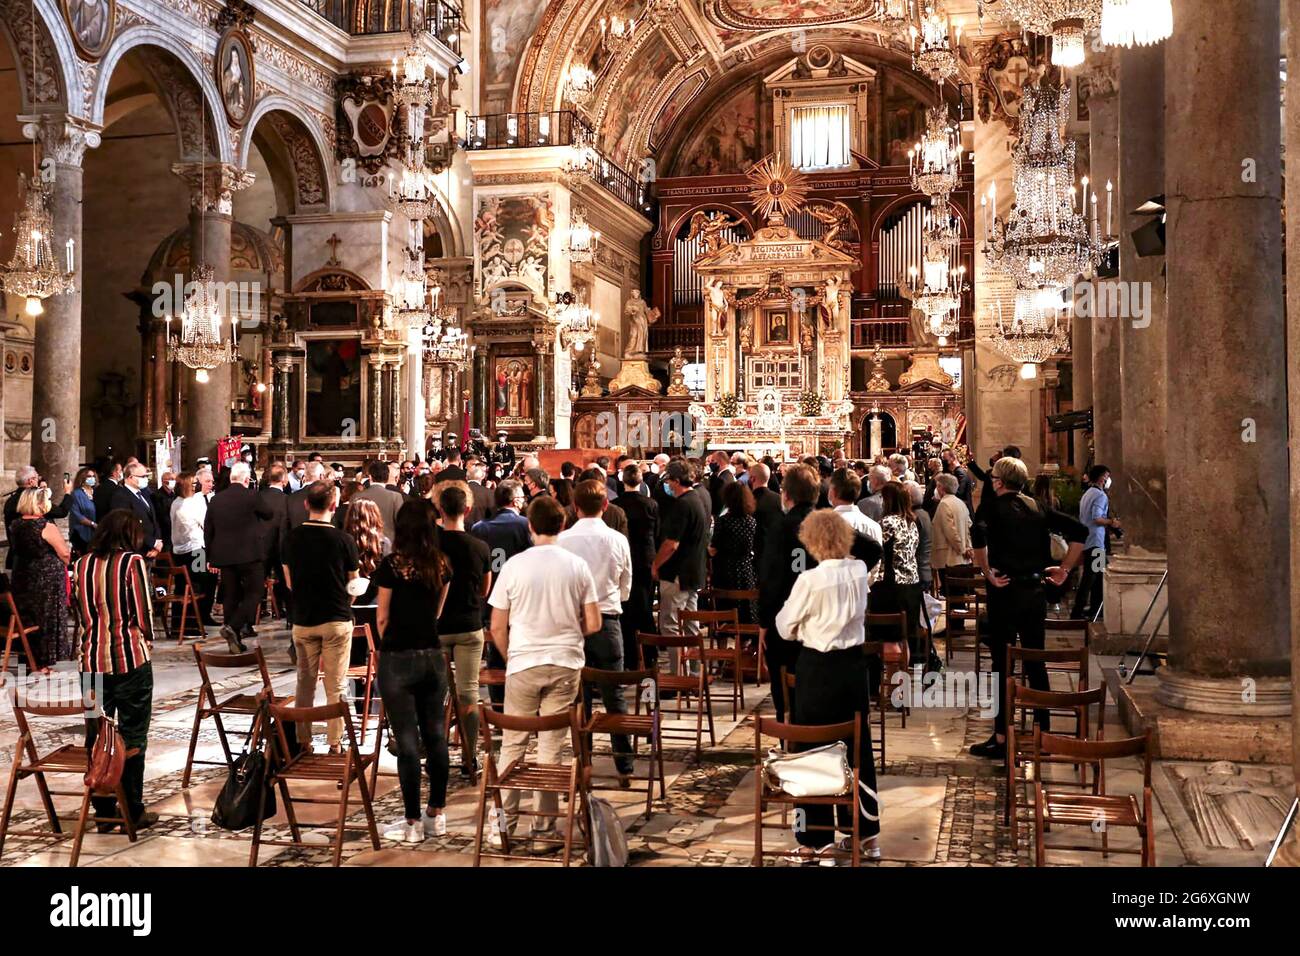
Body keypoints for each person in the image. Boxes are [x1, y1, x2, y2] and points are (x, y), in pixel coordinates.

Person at [488, 495, 600, 841]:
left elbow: (496, 627)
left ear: (530, 526)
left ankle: (501, 827)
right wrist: (566, 635)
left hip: (523, 662)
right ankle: (543, 828)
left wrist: (512, 658)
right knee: (552, 746)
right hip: (565, 663)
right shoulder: (576, 565)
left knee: (513, 743)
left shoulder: (514, 566)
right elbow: (594, 622)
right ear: (562, 525)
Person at [775, 509, 882, 862]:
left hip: (818, 670)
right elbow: (872, 549)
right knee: (856, 747)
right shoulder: (858, 571)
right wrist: (841, 529)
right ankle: (865, 834)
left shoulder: (809, 580)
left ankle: (813, 839)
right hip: (852, 668)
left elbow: (784, 627)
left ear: (811, 542)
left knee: (813, 751)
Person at [968, 457, 1087, 759]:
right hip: (1034, 593)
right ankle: (1043, 733)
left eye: (993, 477)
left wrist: (986, 572)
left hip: (1005, 592)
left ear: (999, 482)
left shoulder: (992, 507)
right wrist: (1064, 569)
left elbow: (978, 535)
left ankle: (1000, 736)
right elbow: (1080, 532)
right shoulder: (1037, 507)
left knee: (1001, 665)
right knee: (1035, 660)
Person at [73, 510, 158, 833]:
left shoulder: (81, 564)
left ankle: (104, 809)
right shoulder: (131, 563)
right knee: (133, 733)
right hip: (129, 660)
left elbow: (81, 611)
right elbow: (143, 611)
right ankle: (132, 809)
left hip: (91, 664)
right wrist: (146, 640)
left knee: (97, 735)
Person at [375, 499, 452, 842]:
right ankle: (436, 812)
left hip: (398, 656)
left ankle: (411, 823)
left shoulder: (392, 565)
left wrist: (391, 644)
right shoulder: (442, 564)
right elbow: (436, 612)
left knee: (407, 741)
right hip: (433, 655)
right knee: (436, 736)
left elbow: (382, 616)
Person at [558, 479, 634, 783]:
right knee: (614, 693)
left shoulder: (563, 540)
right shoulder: (617, 540)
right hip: (607, 619)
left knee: (578, 696)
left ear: (575, 508)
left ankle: (583, 762)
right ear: (606, 506)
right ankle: (624, 764)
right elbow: (626, 584)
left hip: (573, 623)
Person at [282, 480, 359, 754]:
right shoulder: (344, 540)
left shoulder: (291, 538)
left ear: (306, 504)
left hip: (302, 619)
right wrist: (346, 602)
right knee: (335, 683)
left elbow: (289, 581)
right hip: (336, 617)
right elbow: (354, 584)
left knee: (305, 682)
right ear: (335, 505)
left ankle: (303, 741)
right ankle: (335, 742)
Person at [436, 483, 491, 779]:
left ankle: (437, 757)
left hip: (438, 627)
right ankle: (470, 756)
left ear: (440, 510)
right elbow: (485, 589)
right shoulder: (479, 547)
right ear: (467, 510)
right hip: (470, 625)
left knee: (436, 694)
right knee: (469, 693)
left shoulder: (431, 546)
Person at [757, 464, 820, 722]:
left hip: (785, 615)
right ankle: (814, 730)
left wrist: (763, 622)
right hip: (819, 616)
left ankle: (787, 729)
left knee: (782, 677)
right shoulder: (828, 525)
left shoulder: (780, 528)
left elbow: (770, 579)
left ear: (786, 495)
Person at [471, 479, 532, 705]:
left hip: (490, 598)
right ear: (516, 501)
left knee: (496, 651)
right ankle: (522, 702)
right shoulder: (526, 525)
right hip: (520, 599)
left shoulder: (479, 529)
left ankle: (498, 704)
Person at [204, 461, 274, 653]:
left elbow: (208, 529)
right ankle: (233, 626)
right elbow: (269, 514)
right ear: (246, 478)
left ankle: (233, 642)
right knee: (255, 592)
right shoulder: (252, 495)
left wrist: (210, 556)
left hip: (224, 555)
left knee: (231, 596)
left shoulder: (216, 499)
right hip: (249, 554)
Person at [8, 487, 71, 670]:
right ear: (40, 503)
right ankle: (46, 661)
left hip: (23, 575)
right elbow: (65, 553)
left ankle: (29, 659)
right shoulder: (45, 526)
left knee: (29, 617)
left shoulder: (16, 525)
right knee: (48, 618)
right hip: (46, 579)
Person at [651, 460, 709, 653]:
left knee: (671, 624)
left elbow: (671, 544)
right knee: (690, 623)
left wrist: (655, 565)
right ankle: (693, 673)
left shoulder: (682, 505)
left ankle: (678, 675)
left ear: (676, 481)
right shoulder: (697, 499)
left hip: (678, 573)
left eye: (668, 480)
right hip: (693, 571)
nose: (667, 484)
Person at [343, 498, 388, 706]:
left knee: (355, 662)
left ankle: (361, 706)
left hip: (351, 608)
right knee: (379, 661)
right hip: (377, 607)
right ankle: (381, 711)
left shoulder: (343, 541)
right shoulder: (384, 543)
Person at [873, 482, 924, 658]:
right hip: (911, 583)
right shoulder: (912, 522)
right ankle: (902, 680)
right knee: (904, 638)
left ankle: (893, 683)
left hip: (892, 586)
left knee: (889, 639)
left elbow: (878, 551)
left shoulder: (887, 522)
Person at [616, 463, 658, 669]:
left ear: (623, 480)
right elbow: (657, 533)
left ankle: (630, 656)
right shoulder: (651, 504)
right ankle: (649, 654)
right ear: (640, 481)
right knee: (645, 607)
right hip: (646, 559)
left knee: (625, 608)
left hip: (624, 560)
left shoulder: (616, 505)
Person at [1072, 464, 1120, 620]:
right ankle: (1078, 611)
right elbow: (1097, 518)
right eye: (1106, 476)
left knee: (1098, 577)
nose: (1108, 479)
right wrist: (1112, 522)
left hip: (1089, 541)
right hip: (1096, 543)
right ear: (1101, 478)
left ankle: (1095, 609)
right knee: (1090, 578)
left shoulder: (1088, 493)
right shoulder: (1100, 496)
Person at [170, 471, 216, 628]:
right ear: (186, 486)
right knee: (200, 585)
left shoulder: (176, 501)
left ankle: (182, 623)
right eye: (194, 484)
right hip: (195, 550)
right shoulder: (189, 503)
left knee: (183, 586)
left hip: (181, 550)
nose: (196, 486)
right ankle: (193, 622)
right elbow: (205, 522)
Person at [708, 480, 757, 622]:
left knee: (725, 610)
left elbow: (714, 548)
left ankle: (723, 640)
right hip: (745, 568)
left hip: (725, 570)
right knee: (745, 610)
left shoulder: (723, 521)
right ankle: (744, 642)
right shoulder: (751, 521)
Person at [110, 462, 163, 556]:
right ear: (130, 477)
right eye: (143, 476)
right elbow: (127, 526)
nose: (146, 479)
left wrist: (157, 542)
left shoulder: (145, 493)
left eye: (147, 476)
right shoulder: (121, 496)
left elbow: (154, 519)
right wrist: (152, 542)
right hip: (136, 550)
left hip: (152, 549)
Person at [930, 473, 973, 588]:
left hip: (950, 558)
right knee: (959, 595)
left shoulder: (944, 504)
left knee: (952, 595)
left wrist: (961, 549)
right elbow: (969, 527)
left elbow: (950, 531)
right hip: (962, 558)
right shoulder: (960, 503)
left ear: (941, 488)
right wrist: (968, 547)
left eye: (937, 486)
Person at [342, 461, 405, 534]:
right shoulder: (396, 497)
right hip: (389, 541)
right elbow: (401, 523)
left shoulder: (356, 496)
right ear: (387, 476)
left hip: (363, 540)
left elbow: (350, 523)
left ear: (370, 476)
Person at [749, 461, 783, 568]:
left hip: (757, 554)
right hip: (777, 552)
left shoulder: (748, 502)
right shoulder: (779, 499)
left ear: (752, 479)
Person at [67, 467, 99, 557]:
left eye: (93, 476)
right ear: (82, 478)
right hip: (81, 534)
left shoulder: (97, 492)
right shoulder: (76, 494)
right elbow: (77, 515)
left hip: (96, 535)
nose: (92, 478)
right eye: (89, 476)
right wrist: (92, 524)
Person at [941, 449, 975, 514]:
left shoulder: (960, 473)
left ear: (953, 458)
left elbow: (959, 493)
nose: (943, 461)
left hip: (964, 512)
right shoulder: (952, 472)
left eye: (945, 458)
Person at [152, 471, 177, 553]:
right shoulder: (156, 496)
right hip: (164, 533)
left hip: (175, 532)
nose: (174, 481)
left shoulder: (175, 495)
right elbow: (160, 515)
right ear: (164, 481)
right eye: (172, 479)